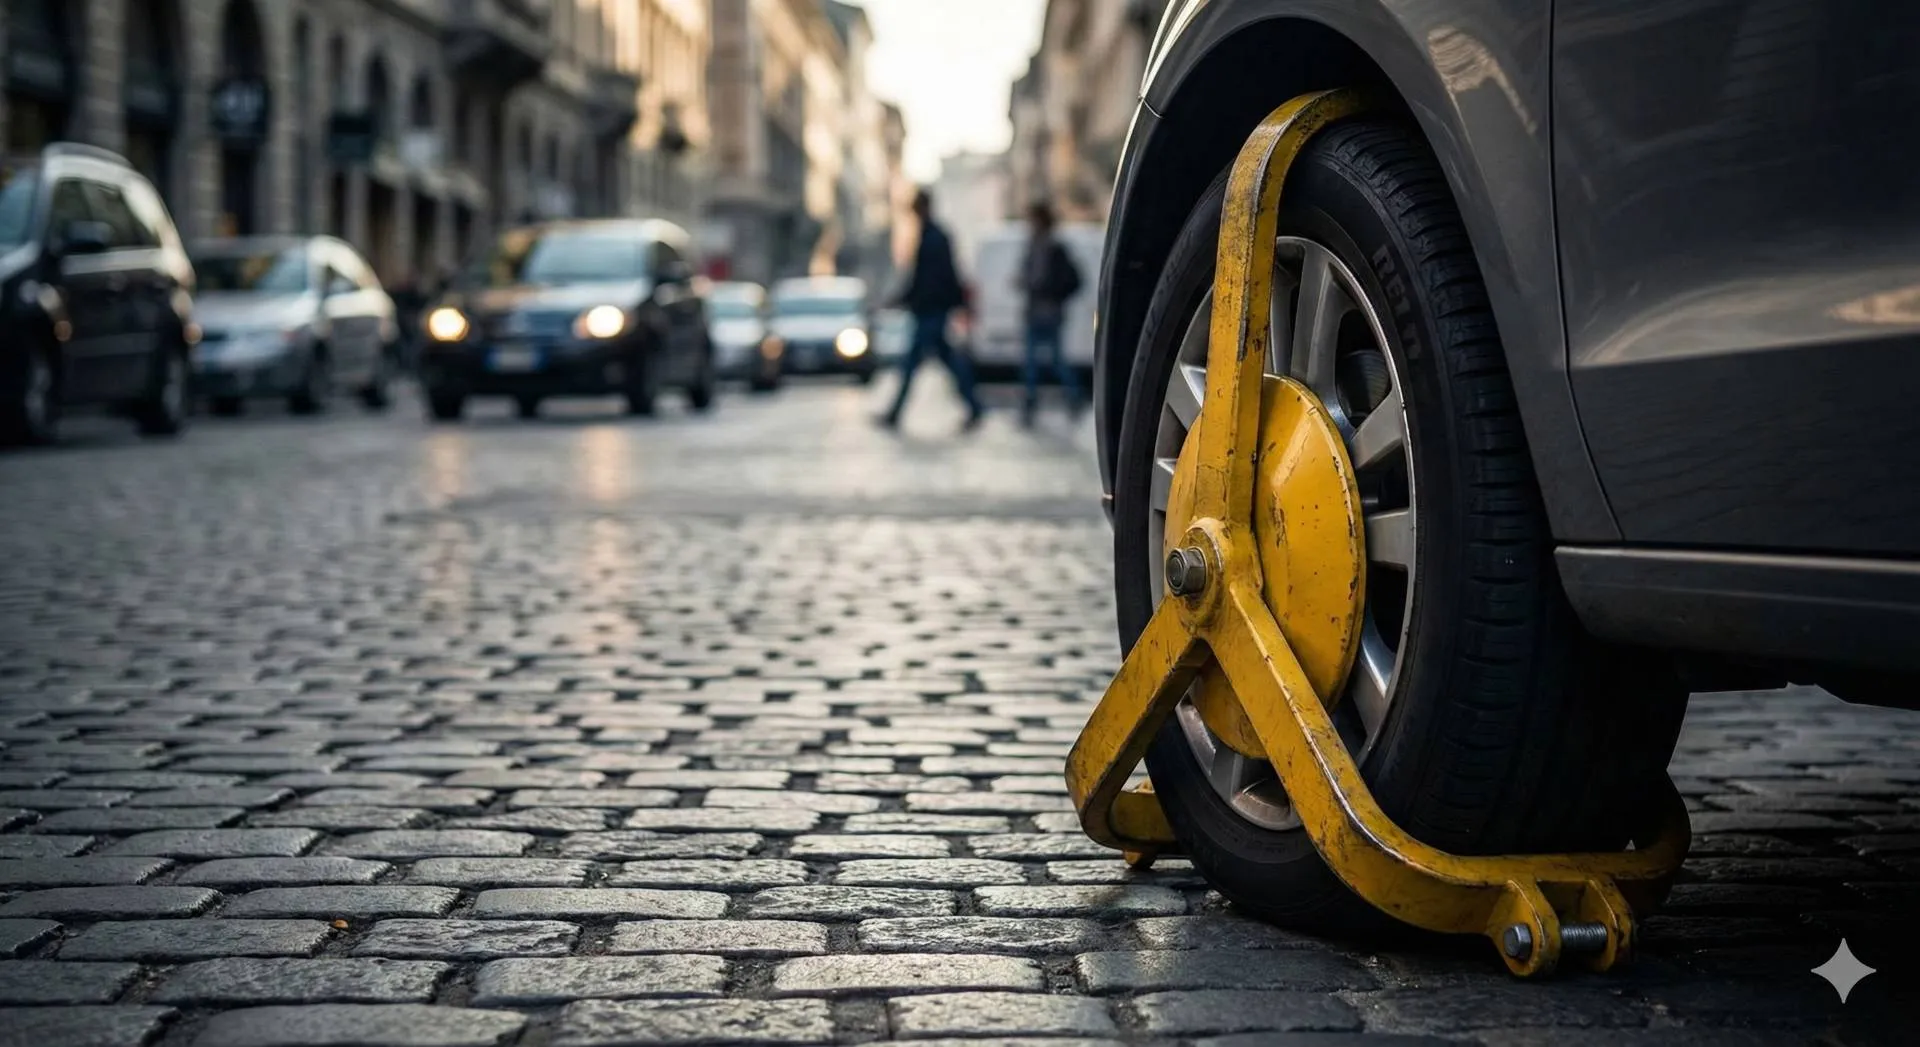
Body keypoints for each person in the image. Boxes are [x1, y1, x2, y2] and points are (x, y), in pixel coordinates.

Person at [879, 189, 984, 430]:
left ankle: (895, 413)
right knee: (947, 361)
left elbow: (933, 278)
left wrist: (905, 298)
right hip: (930, 309)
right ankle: (974, 406)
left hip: (931, 310)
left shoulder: (933, 237)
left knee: (912, 363)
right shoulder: (932, 235)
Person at [1017, 201, 1085, 425]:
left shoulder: (1050, 248)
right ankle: (1066, 397)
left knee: (1041, 361)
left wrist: (1040, 289)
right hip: (1042, 310)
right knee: (1047, 360)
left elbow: (1043, 279)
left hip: (1045, 310)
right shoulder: (1039, 246)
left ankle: (1036, 403)